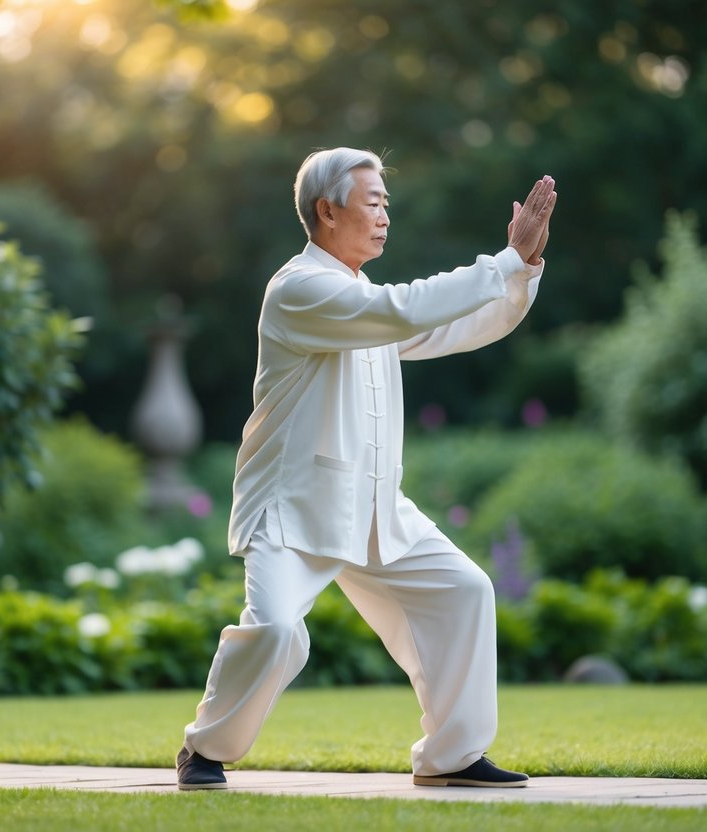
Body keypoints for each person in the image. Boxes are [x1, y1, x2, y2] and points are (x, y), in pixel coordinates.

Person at [176, 147, 556, 791]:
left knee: (465, 592)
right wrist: (502, 262)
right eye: (373, 203)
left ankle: (452, 757)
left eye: (387, 204)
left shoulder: (360, 295)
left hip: (376, 506)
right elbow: (403, 312)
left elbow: (453, 327)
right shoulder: (299, 289)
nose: (385, 217)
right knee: (273, 632)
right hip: (295, 506)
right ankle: (204, 750)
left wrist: (523, 270)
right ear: (327, 211)